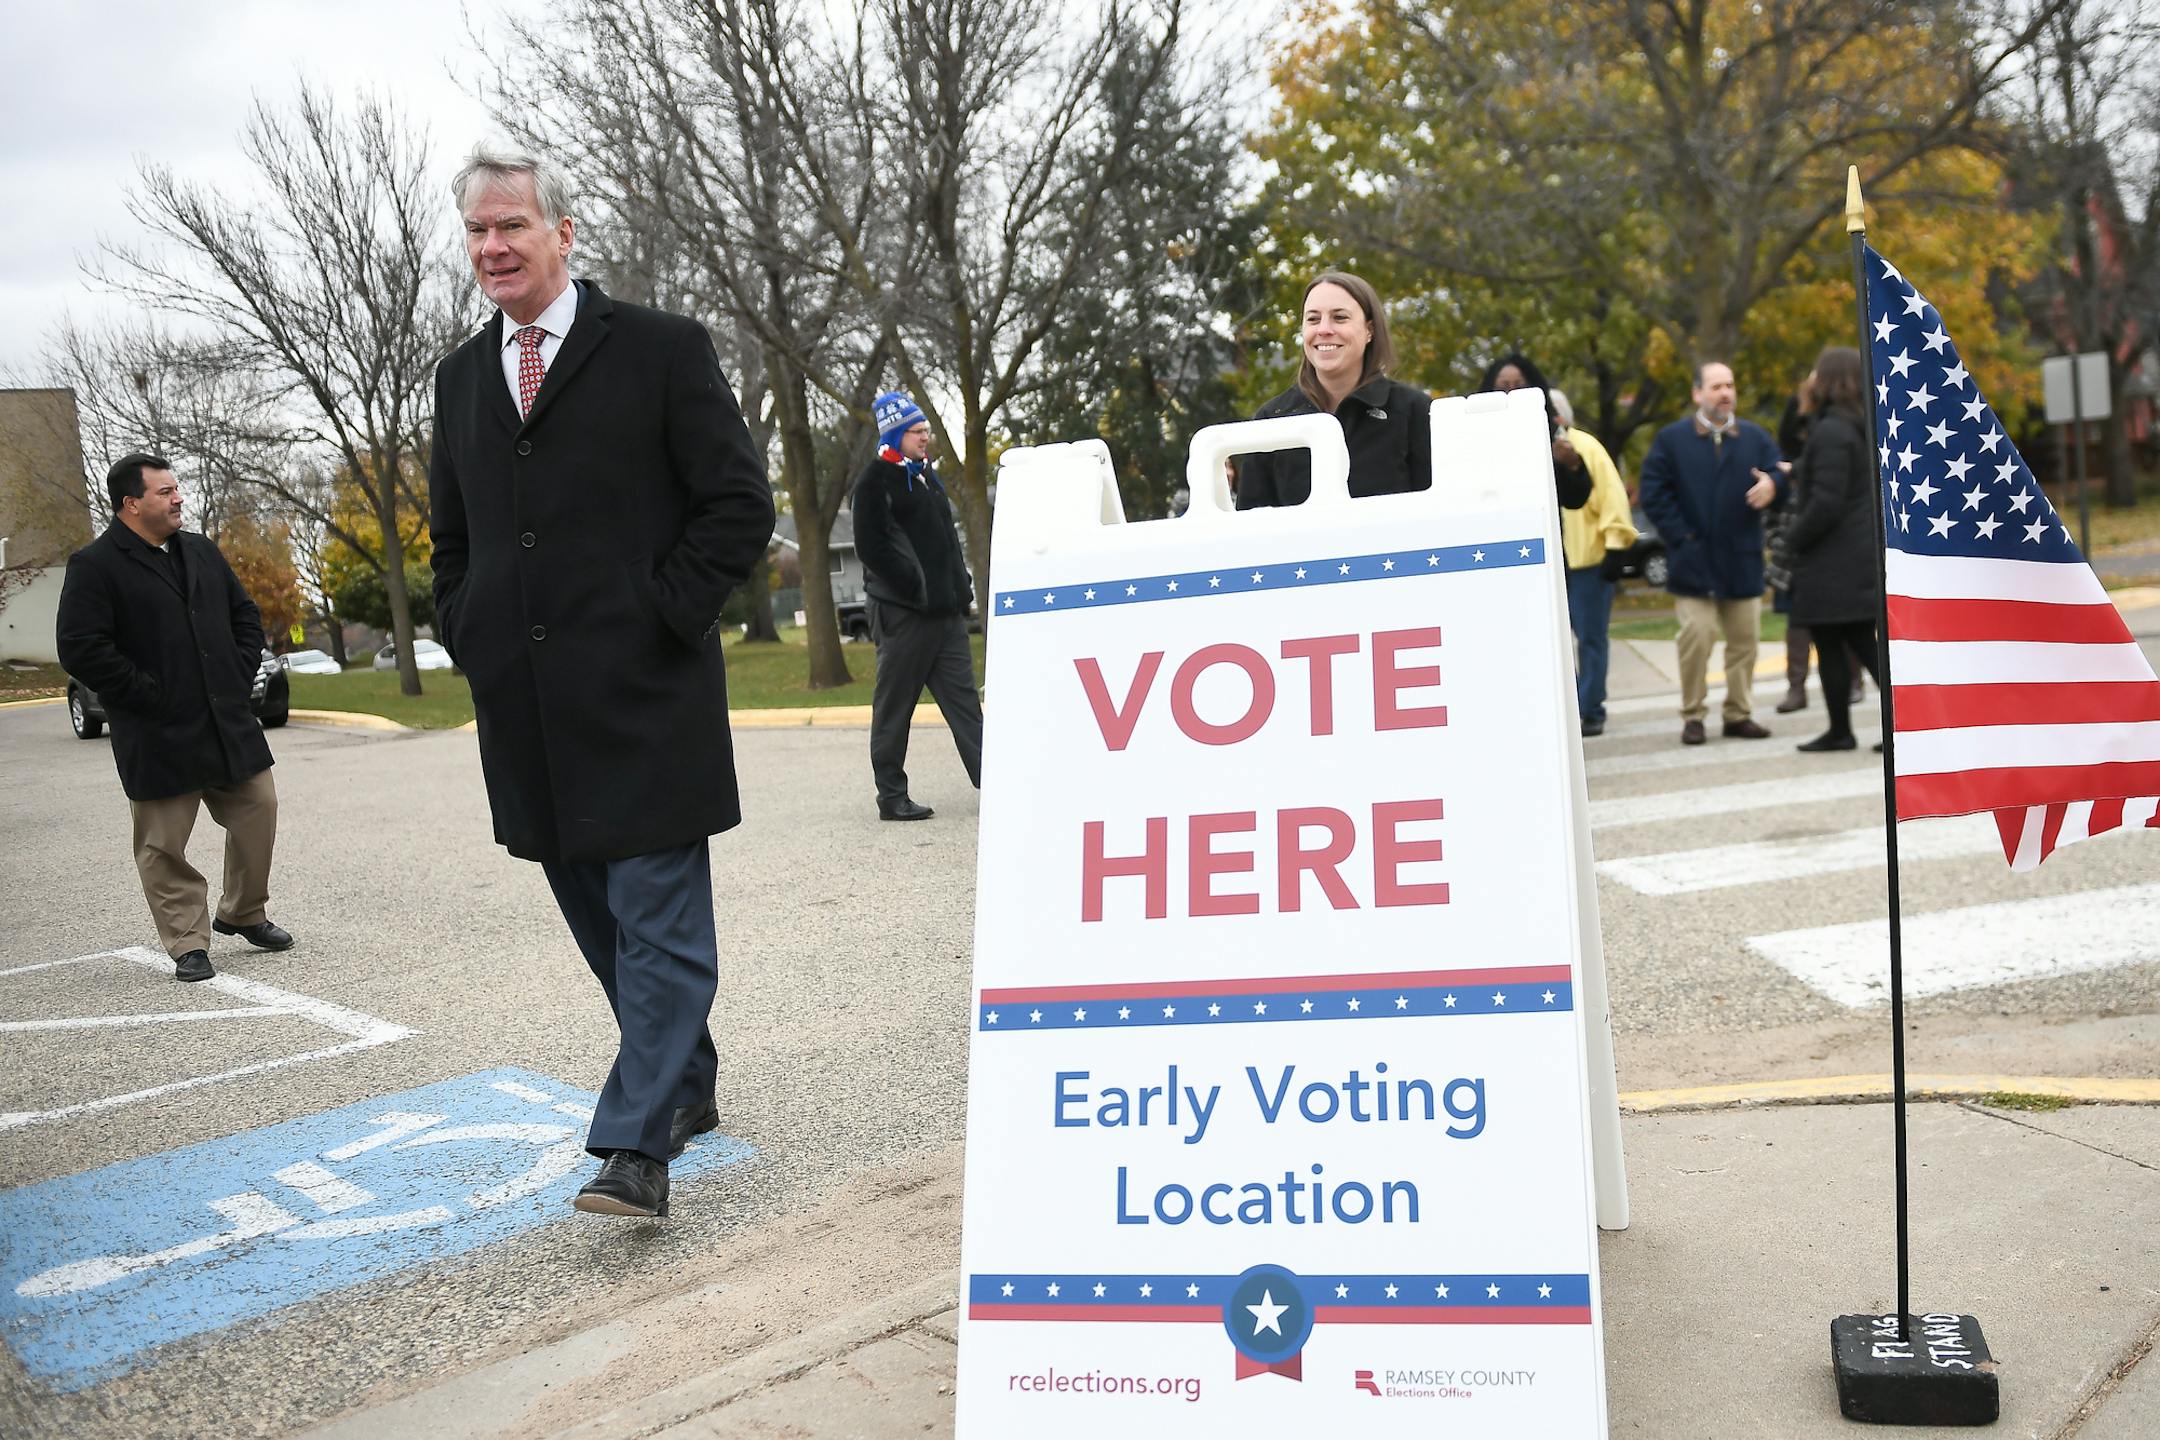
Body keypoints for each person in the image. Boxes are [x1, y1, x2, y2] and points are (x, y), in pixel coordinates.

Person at [429, 143, 775, 1219]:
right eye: (479, 231)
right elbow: (454, 539)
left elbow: (736, 506)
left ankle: (637, 1149)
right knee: (608, 928)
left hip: (645, 703)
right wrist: (471, 629)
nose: (494, 247)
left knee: (658, 920)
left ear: (563, 233)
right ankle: (689, 1080)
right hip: (529, 720)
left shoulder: (664, 351)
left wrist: (662, 616)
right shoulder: (457, 378)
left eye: (513, 226)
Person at [55, 453, 293, 984]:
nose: (178, 498)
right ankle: (188, 942)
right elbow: (80, 648)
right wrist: (148, 693)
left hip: (225, 720)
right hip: (157, 730)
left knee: (259, 808)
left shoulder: (200, 550)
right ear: (131, 504)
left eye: (176, 489)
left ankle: (243, 912)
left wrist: (236, 670)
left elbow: (244, 614)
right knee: (163, 844)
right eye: (165, 492)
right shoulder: (95, 566)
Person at [849, 392, 985, 821]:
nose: (926, 437)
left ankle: (999, 784)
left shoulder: (926, 476)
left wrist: (958, 586)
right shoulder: (875, 481)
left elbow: (944, 541)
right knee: (895, 706)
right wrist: (913, 585)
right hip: (903, 615)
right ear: (895, 433)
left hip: (944, 616)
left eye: (927, 429)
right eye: (918, 431)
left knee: (966, 704)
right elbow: (871, 548)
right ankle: (891, 796)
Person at [1637, 360, 1786, 745]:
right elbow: (1653, 494)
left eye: (1730, 386)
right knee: (1697, 638)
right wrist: (1681, 537)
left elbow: (1781, 473)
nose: (1725, 393)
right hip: (1693, 561)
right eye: (1716, 386)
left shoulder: (1754, 437)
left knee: (1744, 643)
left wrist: (1775, 485)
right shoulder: (1671, 440)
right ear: (1697, 394)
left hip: (1742, 558)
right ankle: (1693, 715)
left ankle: (1739, 714)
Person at [1236, 272, 1434, 507]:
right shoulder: (1272, 419)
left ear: (1369, 330)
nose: (1324, 329)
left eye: (1339, 318)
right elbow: (1253, 526)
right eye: (1313, 319)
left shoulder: (1414, 411)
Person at [1782, 346, 1883, 753]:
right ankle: (1850, 729)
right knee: (1855, 644)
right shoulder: (1855, 425)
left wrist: (1792, 541)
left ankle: (1846, 730)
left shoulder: (1832, 432)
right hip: (1854, 555)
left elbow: (1826, 502)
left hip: (1832, 559)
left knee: (1846, 645)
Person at [1530, 381, 1637, 737]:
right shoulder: (1533, 451)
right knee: (1557, 639)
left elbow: (1613, 497)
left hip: (1589, 560)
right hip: (1554, 564)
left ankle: (1592, 709)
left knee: (1590, 638)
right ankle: (1575, 702)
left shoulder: (1585, 447)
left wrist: (1616, 547)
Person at [1769, 383, 1862, 714]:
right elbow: (1774, 507)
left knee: (1847, 626)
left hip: (1832, 551)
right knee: (1798, 622)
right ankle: (1796, 687)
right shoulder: (1789, 457)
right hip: (1798, 551)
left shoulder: (1839, 435)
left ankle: (1854, 682)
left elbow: (1829, 502)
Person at [1477, 354, 1595, 511]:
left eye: (1519, 387)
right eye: (1503, 388)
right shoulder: (1475, 437)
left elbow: (1574, 499)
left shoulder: (1549, 432)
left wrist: (1571, 465)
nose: (1511, 394)